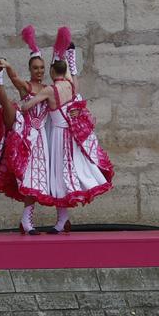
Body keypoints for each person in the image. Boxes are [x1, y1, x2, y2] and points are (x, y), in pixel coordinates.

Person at [14, 29, 113, 233]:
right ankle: (62, 220)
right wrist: (69, 55)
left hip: (57, 136)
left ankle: (59, 220)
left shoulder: (50, 89)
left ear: (51, 72)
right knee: (64, 177)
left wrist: (25, 104)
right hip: (71, 136)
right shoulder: (71, 84)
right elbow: (73, 74)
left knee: (58, 176)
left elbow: (26, 106)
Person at [0, 29, 50, 232]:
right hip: (27, 137)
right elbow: (14, 78)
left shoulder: (48, 88)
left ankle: (33, 221)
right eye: (35, 68)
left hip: (43, 139)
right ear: (30, 69)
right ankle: (27, 222)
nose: (39, 71)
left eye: (41, 68)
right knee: (29, 178)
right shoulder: (26, 86)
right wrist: (8, 67)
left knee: (40, 180)